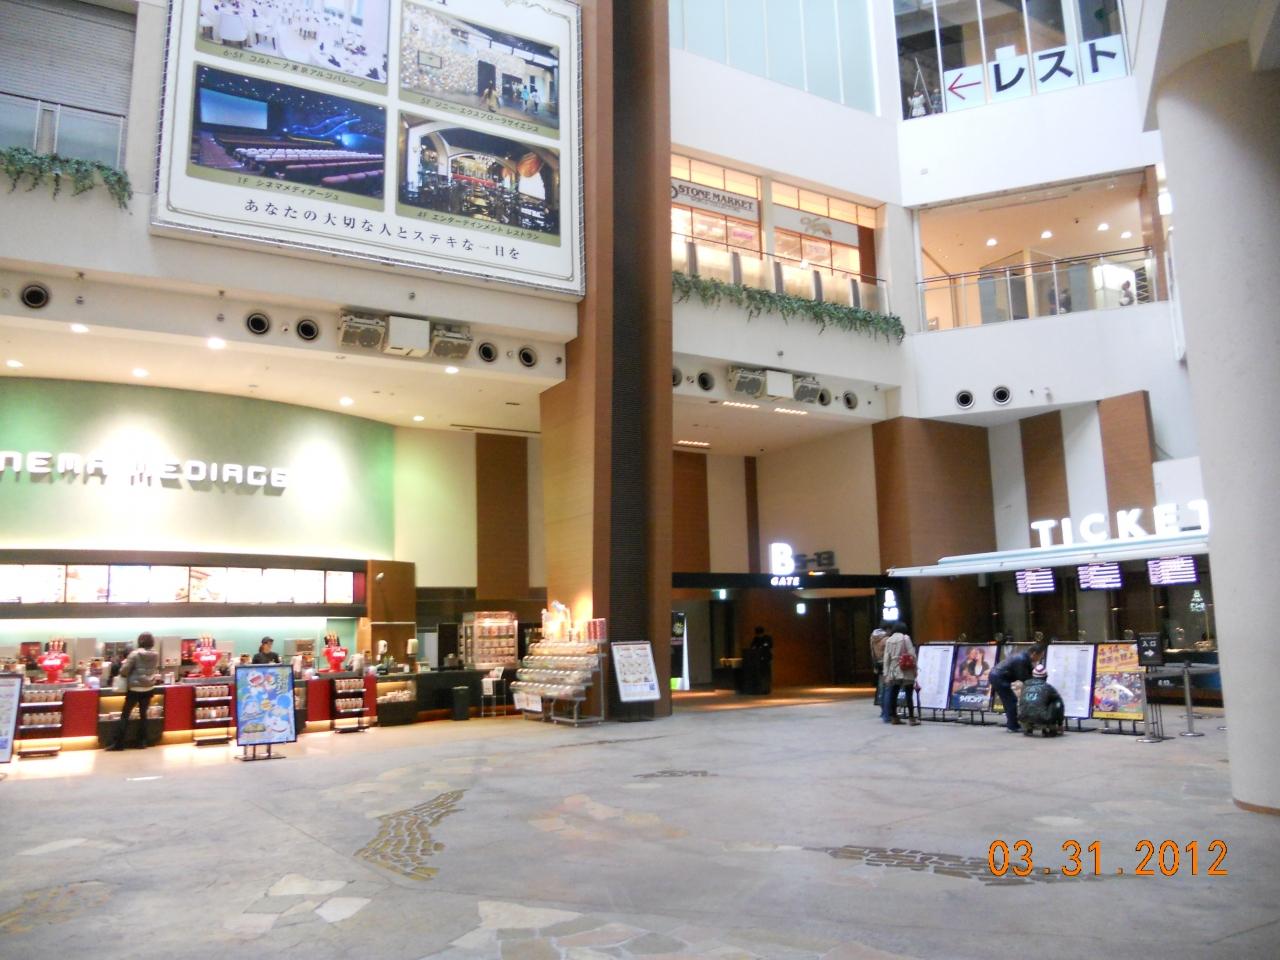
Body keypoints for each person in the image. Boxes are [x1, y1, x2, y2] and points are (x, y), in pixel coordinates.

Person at [107, 633, 160, 751]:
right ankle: (142, 742)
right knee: (143, 715)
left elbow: (123, 671)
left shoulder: (134, 654)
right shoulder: (155, 654)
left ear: (140, 641)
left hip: (135, 689)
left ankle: (119, 743)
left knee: (125, 715)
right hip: (148, 688)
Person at [989, 641, 1048, 733]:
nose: (1040, 658)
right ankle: (1012, 726)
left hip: (998, 676)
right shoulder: (1022, 659)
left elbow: (1030, 672)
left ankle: (1013, 724)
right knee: (1011, 701)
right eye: (1040, 656)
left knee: (1010, 701)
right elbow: (1023, 677)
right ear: (1034, 654)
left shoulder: (1025, 657)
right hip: (999, 678)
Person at [881, 621, 919, 726]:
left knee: (893, 694)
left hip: (893, 669)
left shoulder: (889, 640)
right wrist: (915, 668)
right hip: (906, 668)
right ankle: (911, 718)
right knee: (909, 694)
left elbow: (886, 658)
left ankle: (894, 717)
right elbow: (912, 654)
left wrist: (886, 673)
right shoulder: (905, 638)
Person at [869, 623, 890, 720]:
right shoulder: (886, 639)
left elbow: (872, 653)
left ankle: (882, 711)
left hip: (878, 664)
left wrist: (874, 665)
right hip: (886, 664)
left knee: (881, 689)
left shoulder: (873, 638)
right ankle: (887, 713)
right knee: (888, 689)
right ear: (887, 629)